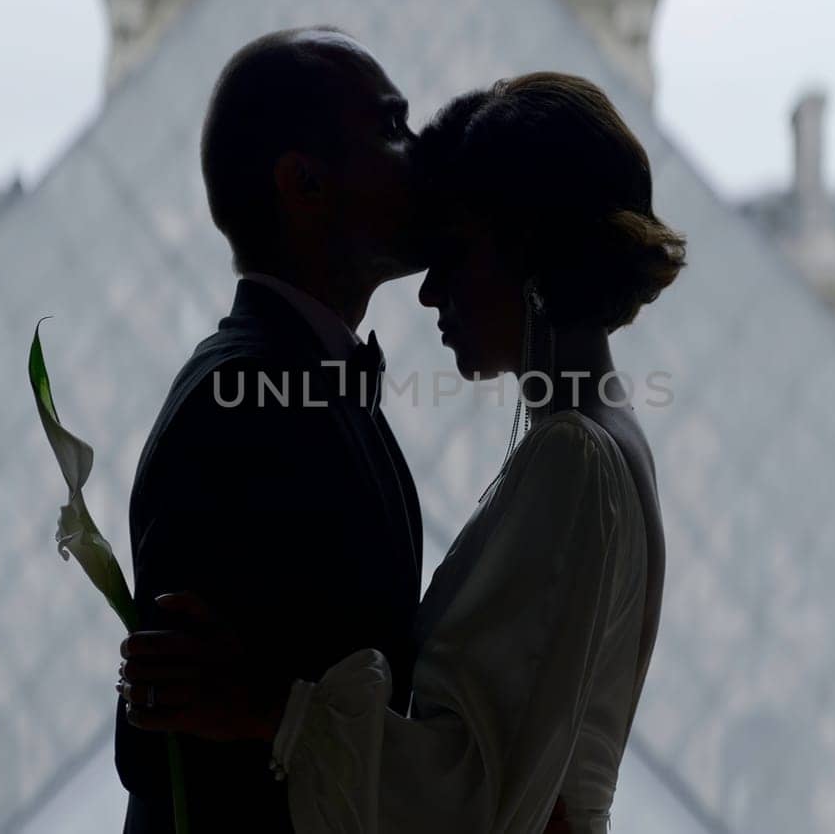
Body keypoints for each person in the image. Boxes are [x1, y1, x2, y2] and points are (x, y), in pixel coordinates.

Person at [120, 72, 686, 833]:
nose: (429, 293)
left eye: (454, 251)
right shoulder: (605, 437)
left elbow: (475, 799)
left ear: (527, 251)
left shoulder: (574, 459)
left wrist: (264, 710)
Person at [114, 26, 427, 833]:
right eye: (392, 129)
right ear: (305, 183)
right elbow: (162, 741)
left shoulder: (295, 381)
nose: (421, 153)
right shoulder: (239, 401)